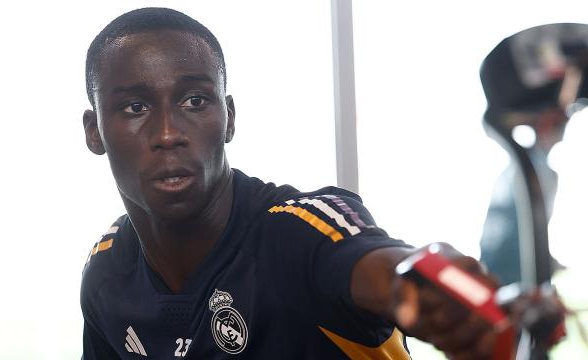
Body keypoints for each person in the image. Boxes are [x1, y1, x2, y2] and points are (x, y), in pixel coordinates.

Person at [80, 7, 498, 359]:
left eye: (195, 101)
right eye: (135, 107)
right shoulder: (107, 270)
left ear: (229, 118)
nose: (168, 133)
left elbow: (385, 270)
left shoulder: (298, 232)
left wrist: (438, 287)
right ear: (94, 131)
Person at [478, 23, 588, 286]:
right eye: (562, 109)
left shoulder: (534, 172)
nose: (566, 116)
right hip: (510, 295)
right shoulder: (529, 174)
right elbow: (505, 251)